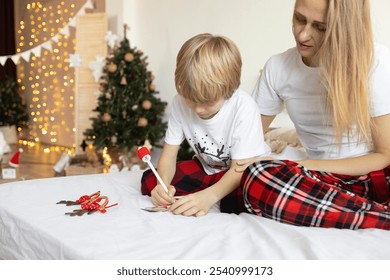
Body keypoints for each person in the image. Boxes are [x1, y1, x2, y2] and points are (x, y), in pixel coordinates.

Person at [237, 0, 390, 229]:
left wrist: (304, 164)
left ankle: (359, 213)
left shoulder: (374, 60)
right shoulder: (278, 67)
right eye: (299, 19)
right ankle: (379, 218)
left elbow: (384, 155)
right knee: (257, 175)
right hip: (317, 181)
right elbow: (245, 144)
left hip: (372, 176)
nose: (303, 35)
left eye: (321, 27)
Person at [141, 33, 269, 216]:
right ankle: (215, 194)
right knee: (149, 181)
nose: (198, 110)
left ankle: (216, 195)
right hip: (208, 172)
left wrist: (208, 197)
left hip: (240, 173)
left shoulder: (244, 107)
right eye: (191, 100)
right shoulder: (179, 103)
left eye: (207, 102)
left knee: (253, 190)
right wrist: (163, 185)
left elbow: (239, 169)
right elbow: (169, 156)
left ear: (228, 90)